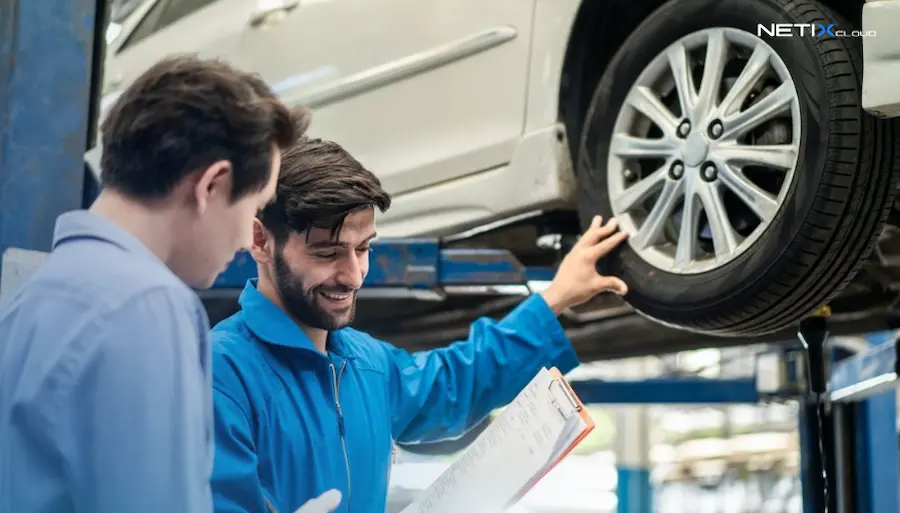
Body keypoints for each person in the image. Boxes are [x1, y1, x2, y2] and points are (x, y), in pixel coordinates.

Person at [208, 136, 629, 513]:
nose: (353, 275)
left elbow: (458, 381)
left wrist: (556, 296)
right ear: (261, 241)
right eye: (327, 253)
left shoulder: (367, 364)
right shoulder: (219, 372)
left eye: (364, 248)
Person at [0, 55, 304, 513]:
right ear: (212, 185)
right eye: (254, 207)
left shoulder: (31, 300)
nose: (247, 240)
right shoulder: (147, 305)